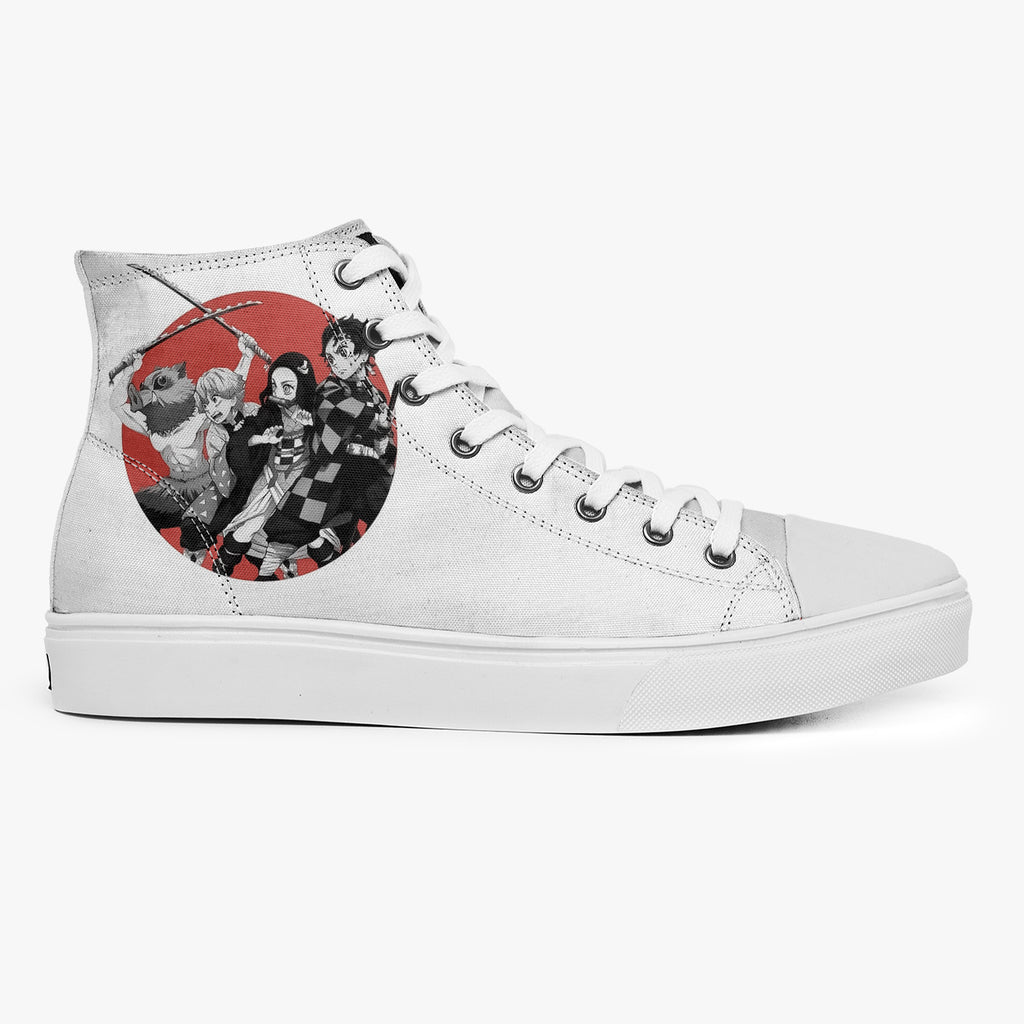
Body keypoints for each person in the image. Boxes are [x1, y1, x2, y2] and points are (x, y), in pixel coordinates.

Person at [260, 318, 394, 575]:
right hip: (330, 473)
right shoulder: (329, 390)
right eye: (330, 358)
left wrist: (382, 431)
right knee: (288, 531)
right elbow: (354, 416)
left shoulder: (376, 396)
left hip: (365, 476)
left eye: (342, 353)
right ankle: (262, 578)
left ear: (363, 352)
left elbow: (382, 447)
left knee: (379, 519)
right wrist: (378, 423)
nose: (336, 363)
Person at [214, 352, 318, 578]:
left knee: (311, 534)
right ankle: (222, 567)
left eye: (287, 388)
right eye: (274, 386)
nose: (278, 394)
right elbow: (245, 434)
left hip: (300, 481)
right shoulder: (269, 412)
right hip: (271, 480)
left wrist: (314, 425)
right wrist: (262, 438)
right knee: (249, 526)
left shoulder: (315, 411)